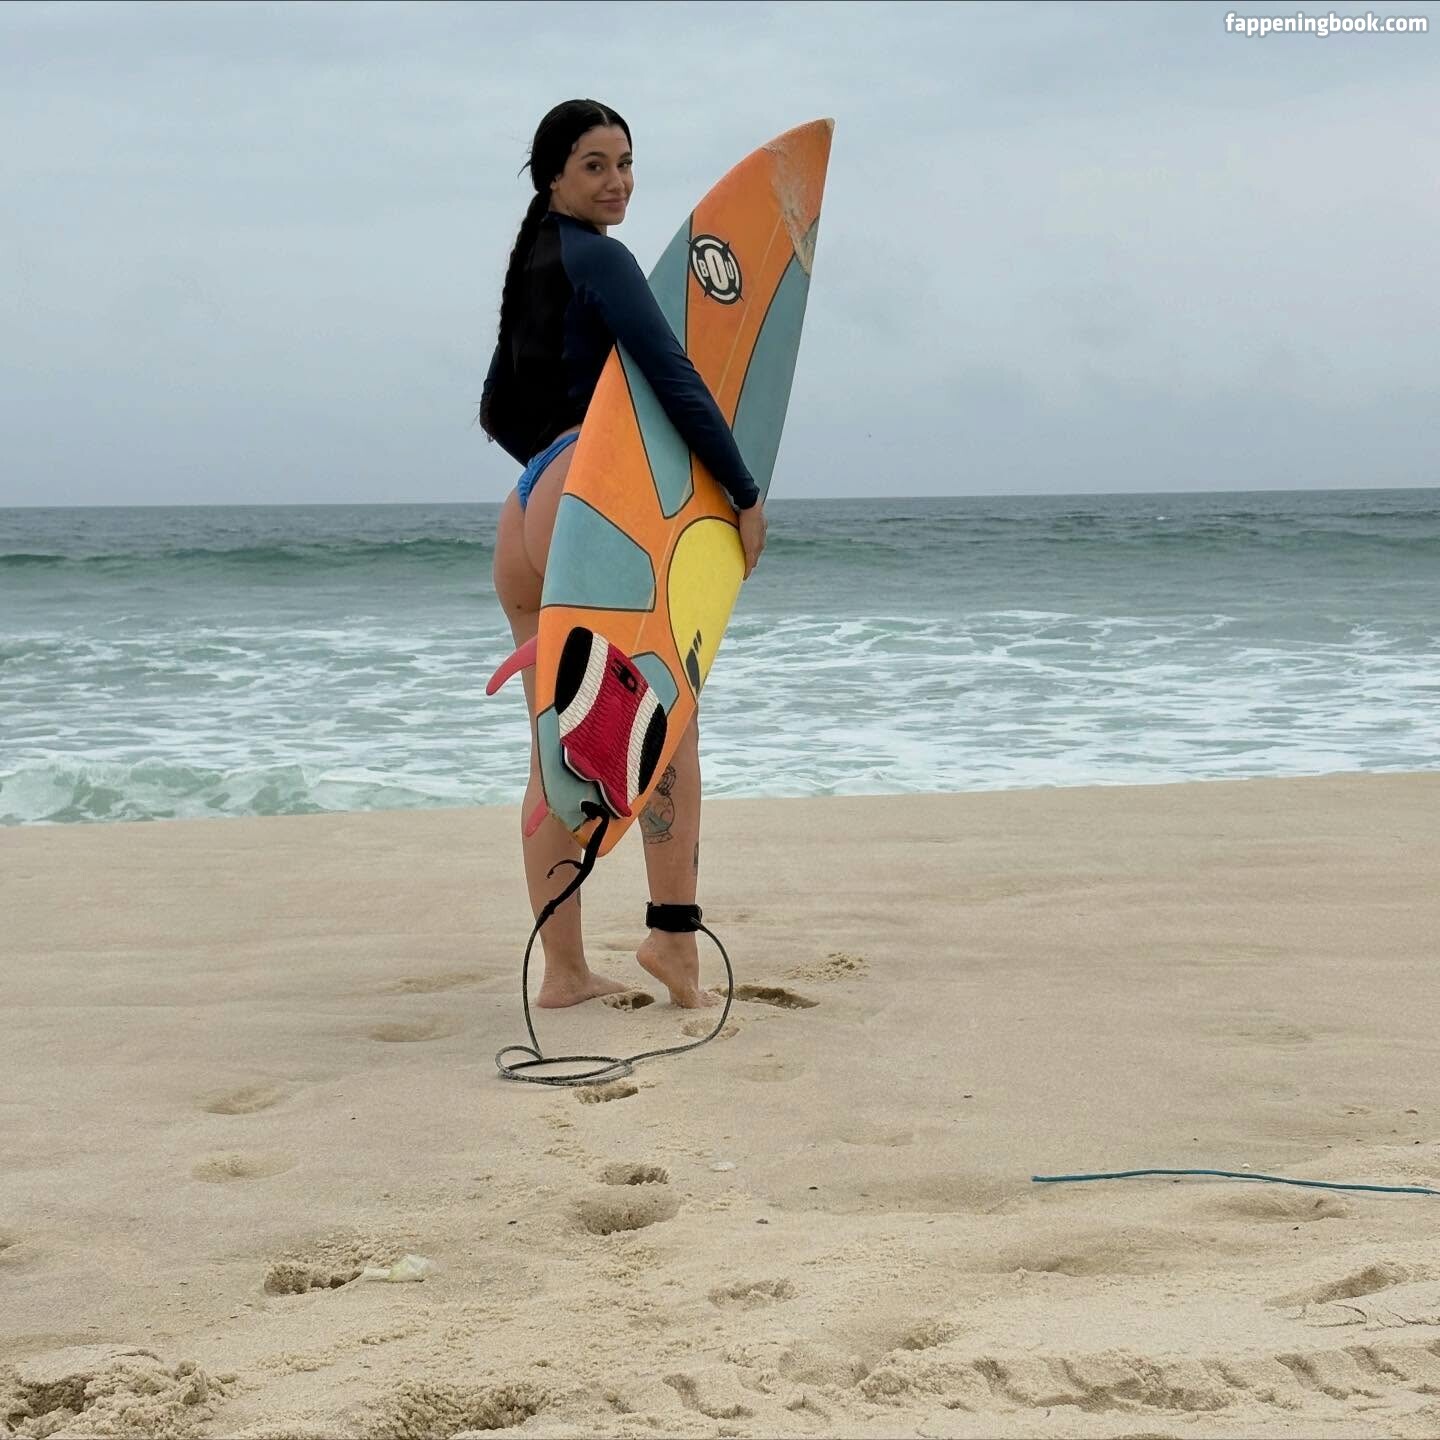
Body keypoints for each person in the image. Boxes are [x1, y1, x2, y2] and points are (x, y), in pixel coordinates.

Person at [482, 99, 766, 1012]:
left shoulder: (531, 264)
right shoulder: (601, 258)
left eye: (626, 163)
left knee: (554, 747)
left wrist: (552, 469)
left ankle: (564, 971)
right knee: (663, 718)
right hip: (587, 502)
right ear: (554, 177)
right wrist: (743, 492)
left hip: (527, 509)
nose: (618, 183)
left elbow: (494, 409)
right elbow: (673, 374)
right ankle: (673, 943)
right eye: (595, 166)